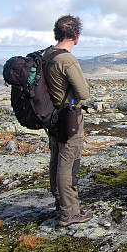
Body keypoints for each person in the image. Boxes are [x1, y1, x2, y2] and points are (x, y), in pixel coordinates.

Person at [43, 15, 92, 226]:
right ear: (75, 35)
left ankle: (62, 203)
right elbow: (83, 92)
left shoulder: (47, 54)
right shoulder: (67, 59)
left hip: (53, 117)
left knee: (56, 160)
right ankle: (69, 212)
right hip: (69, 117)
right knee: (68, 163)